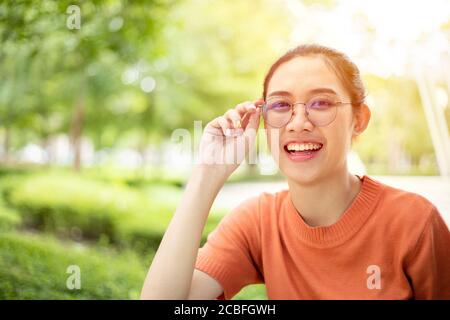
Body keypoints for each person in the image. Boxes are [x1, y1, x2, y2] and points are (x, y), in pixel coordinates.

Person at [140, 44, 450, 300]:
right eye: (280, 105)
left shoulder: (415, 223)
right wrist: (207, 174)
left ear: (359, 119)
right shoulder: (257, 222)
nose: (298, 122)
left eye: (321, 103)